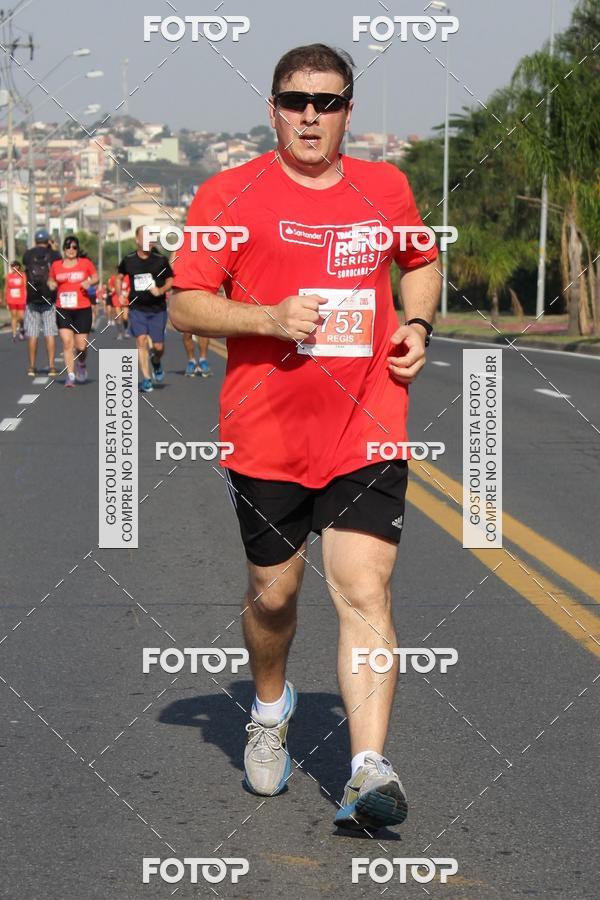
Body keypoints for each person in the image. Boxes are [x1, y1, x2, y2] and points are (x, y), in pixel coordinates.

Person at [170, 44, 440, 832]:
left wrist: (417, 321)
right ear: (274, 109)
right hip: (268, 435)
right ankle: (268, 707)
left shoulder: (384, 187)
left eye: (326, 101)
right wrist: (266, 317)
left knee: (364, 590)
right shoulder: (230, 194)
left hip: (367, 424)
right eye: (295, 100)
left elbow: (420, 262)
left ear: (349, 110)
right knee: (274, 595)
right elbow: (186, 303)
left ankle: (367, 769)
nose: (310, 115)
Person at [117, 225, 173, 392]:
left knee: (158, 347)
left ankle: (156, 362)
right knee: (141, 341)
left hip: (158, 309)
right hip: (137, 308)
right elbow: (119, 277)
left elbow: (170, 280)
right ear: (138, 240)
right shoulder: (129, 260)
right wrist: (120, 293)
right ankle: (146, 379)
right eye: (145, 237)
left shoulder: (160, 260)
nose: (149, 241)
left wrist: (161, 290)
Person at [48, 235, 98, 387]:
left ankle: (81, 364)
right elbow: (51, 279)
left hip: (82, 309)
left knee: (81, 346)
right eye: (68, 247)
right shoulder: (56, 265)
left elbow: (96, 277)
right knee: (67, 343)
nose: (71, 250)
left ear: (77, 249)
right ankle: (70, 375)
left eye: (74, 247)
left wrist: (89, 282)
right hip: (63, 309)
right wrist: (51, 284)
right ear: (64, 249)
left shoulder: (85, 263)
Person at [22, 228, 61, 377]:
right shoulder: (54, 255)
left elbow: (25, 265)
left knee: (32, 334)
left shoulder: (28, 254)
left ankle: (32, 367)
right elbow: (59, 265)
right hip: (49, 298)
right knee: (49, 333)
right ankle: (51, 367)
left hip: (32, 299)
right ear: (48, 241)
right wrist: (53, 247)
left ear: (35, 240)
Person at [4, 260, 27, 341]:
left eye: (16, 266)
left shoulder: (22, 275)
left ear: (19, 267)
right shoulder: (8, 276)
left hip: (21, 299)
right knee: (13, 316)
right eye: (13, 266)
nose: (15, 267)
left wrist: (26, 298)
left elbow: (25, 287)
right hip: (11, 299)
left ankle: (22, 329)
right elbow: (6, 288)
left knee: (21, 317)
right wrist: (5, 300)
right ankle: (14, 334)